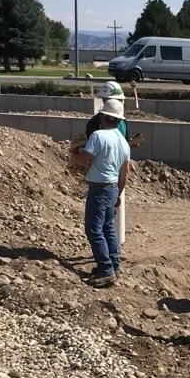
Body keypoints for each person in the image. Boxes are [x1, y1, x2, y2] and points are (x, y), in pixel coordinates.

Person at [78, 95, 130, 288]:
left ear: (102, 117)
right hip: (112, 188)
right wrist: (118, 194)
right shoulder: (123, 142)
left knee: (94, 229)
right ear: (118, 120)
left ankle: (106, 269)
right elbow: (125, 173)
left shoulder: (98, 136)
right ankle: (114, 266)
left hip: (99, 189)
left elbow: (83, 160)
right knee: (108, 227)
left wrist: (75, 155)